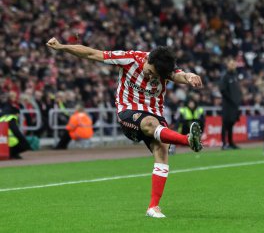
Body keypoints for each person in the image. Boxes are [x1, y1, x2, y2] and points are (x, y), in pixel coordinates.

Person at [46, 37, 203, 218]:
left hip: (155, 113)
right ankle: (187, 140)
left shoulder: (163, 69)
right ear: (146, 60)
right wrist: (62, 47)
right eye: (149, 72)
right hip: (129, 112)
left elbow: (179, 75)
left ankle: (153, 207)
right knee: (150, 124)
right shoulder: (129, 58)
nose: (150, 77)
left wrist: (190, 76)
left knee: (162, 151)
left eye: (154, 76)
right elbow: (91, 53)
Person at [219, 57, 242, 150]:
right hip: (227, 104)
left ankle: (231, 142)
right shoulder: (225, 76)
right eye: (231, 64)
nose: (233, 65)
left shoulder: (235, 75)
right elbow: (222, 90)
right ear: (227, 65)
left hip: (235, 105)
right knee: (225, 124)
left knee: (231, 124)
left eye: (234, 64)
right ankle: (224, 144)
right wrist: (231, 99)